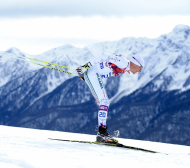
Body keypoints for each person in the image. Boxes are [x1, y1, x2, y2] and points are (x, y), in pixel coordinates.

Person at [76, 54, 144, 143]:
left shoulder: (125, 67)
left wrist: (89, 79)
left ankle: (102, 133)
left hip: (93, 75)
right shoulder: (123, 62)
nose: (140, 71)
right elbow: (104, 56)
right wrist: (86, 67)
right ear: (135, 64)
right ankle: (102, 133)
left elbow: (103, 71)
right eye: (140, 68)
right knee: (104, 101)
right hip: (93, 73)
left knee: (103, 102)